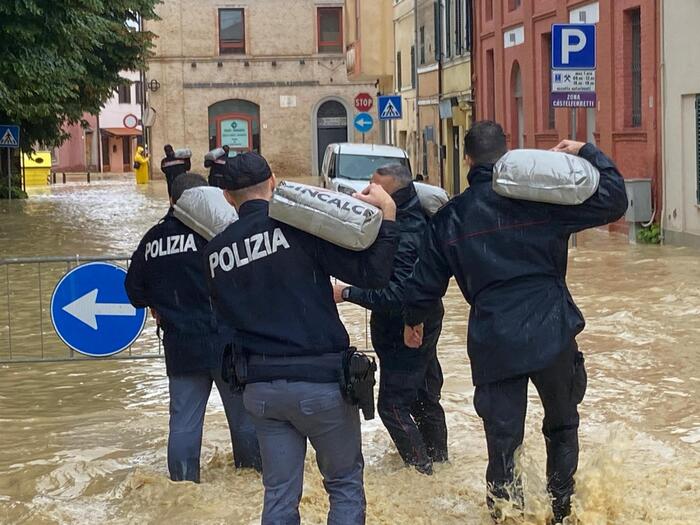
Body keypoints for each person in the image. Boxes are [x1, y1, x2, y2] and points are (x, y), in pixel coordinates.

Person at [402, 121, 628, 523]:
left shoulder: (451, 219)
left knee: (502, 444)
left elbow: (422, 286)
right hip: (552, 330)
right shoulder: (543, 201)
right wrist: (585, 150)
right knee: (561, 426)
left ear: (467, 160)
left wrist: (413, 322)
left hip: (494, 340)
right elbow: (614, 200)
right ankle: (562, 510)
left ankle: (508, 517)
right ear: (507, 154)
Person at [204, 152, 399, 525]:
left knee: (279, 495)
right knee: (343, 485)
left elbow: (221, 320)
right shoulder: (301, 228)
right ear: (274, 181)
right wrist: (387, 216)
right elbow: (375, 274)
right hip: (321, 384)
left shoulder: (214, 253)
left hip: (261, 391)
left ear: (227, 196)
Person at [125, 173, 261, 482]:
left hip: (182, 345)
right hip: (229, 343)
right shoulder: (221, 231)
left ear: (172, 201)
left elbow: (134, 293)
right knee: (244, 421)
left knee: (183, 424)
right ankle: (252, 485)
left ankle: (183, 490)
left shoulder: (152, 240)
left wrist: (159, 304)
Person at [333, 164, 447, 475]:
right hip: (421, 318)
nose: (367, 193)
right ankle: (438, 465)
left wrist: (346, 293)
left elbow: (397, 295)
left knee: (392, 406)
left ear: (392, 196)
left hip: (406, 325)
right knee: (424, 397)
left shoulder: (406, 231)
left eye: (375, 189)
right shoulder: (404, 218)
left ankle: (422, 471)